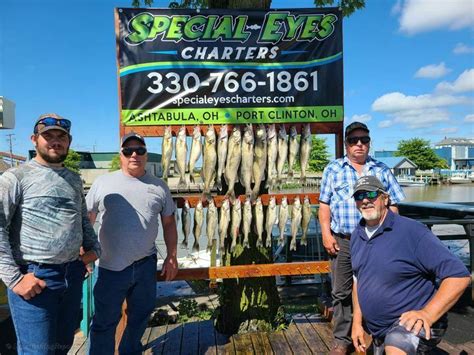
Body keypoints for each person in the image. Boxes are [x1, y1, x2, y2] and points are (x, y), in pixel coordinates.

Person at [0, 113, 101, 354]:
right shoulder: (15, 177)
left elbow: (81, 219)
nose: (55, 141)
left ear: (68, 141)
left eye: (61, 137)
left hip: (72, 275)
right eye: (48, 136)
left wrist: (94, 249)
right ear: (34, 139)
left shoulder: (73, 179)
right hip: (35, 278)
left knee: (62, 346)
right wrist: (14, 279)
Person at [350, 175, 470, 355]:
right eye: (359, 196)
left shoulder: (411, 231)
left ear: (385, 198)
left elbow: (459, 275)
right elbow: (358, 281)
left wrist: (428, 314)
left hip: (411, 321)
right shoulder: (356, 235)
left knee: (397, 343)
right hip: (378, 329)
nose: (365, 200)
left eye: (371, 194)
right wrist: (357, 323)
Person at [86, 132, 178, 354]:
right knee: (104, 322)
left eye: (140, 150)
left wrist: (172, 255)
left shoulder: (159, 186)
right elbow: (87, 219)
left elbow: (169, 223)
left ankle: (129, 350)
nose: (134, 154)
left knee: (140, 316)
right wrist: (86, 253)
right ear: (121, 155)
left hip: (146, 264)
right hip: (110, 267)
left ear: (146, 155)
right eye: (128, 151)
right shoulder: (102, 182)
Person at [318, 121, 405, 354]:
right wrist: (326, 234)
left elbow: (394, 204)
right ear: (346, 144)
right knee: (340, 290)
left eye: (364, 140)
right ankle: (341, 339)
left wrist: (389, 235)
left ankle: (375, 331)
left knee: (377, 286)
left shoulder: (382, 169)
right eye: (353, 140)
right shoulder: (333, 169)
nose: (359, 145)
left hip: (374, 239)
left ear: (369, 143)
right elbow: (324, 205)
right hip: (343, 238)